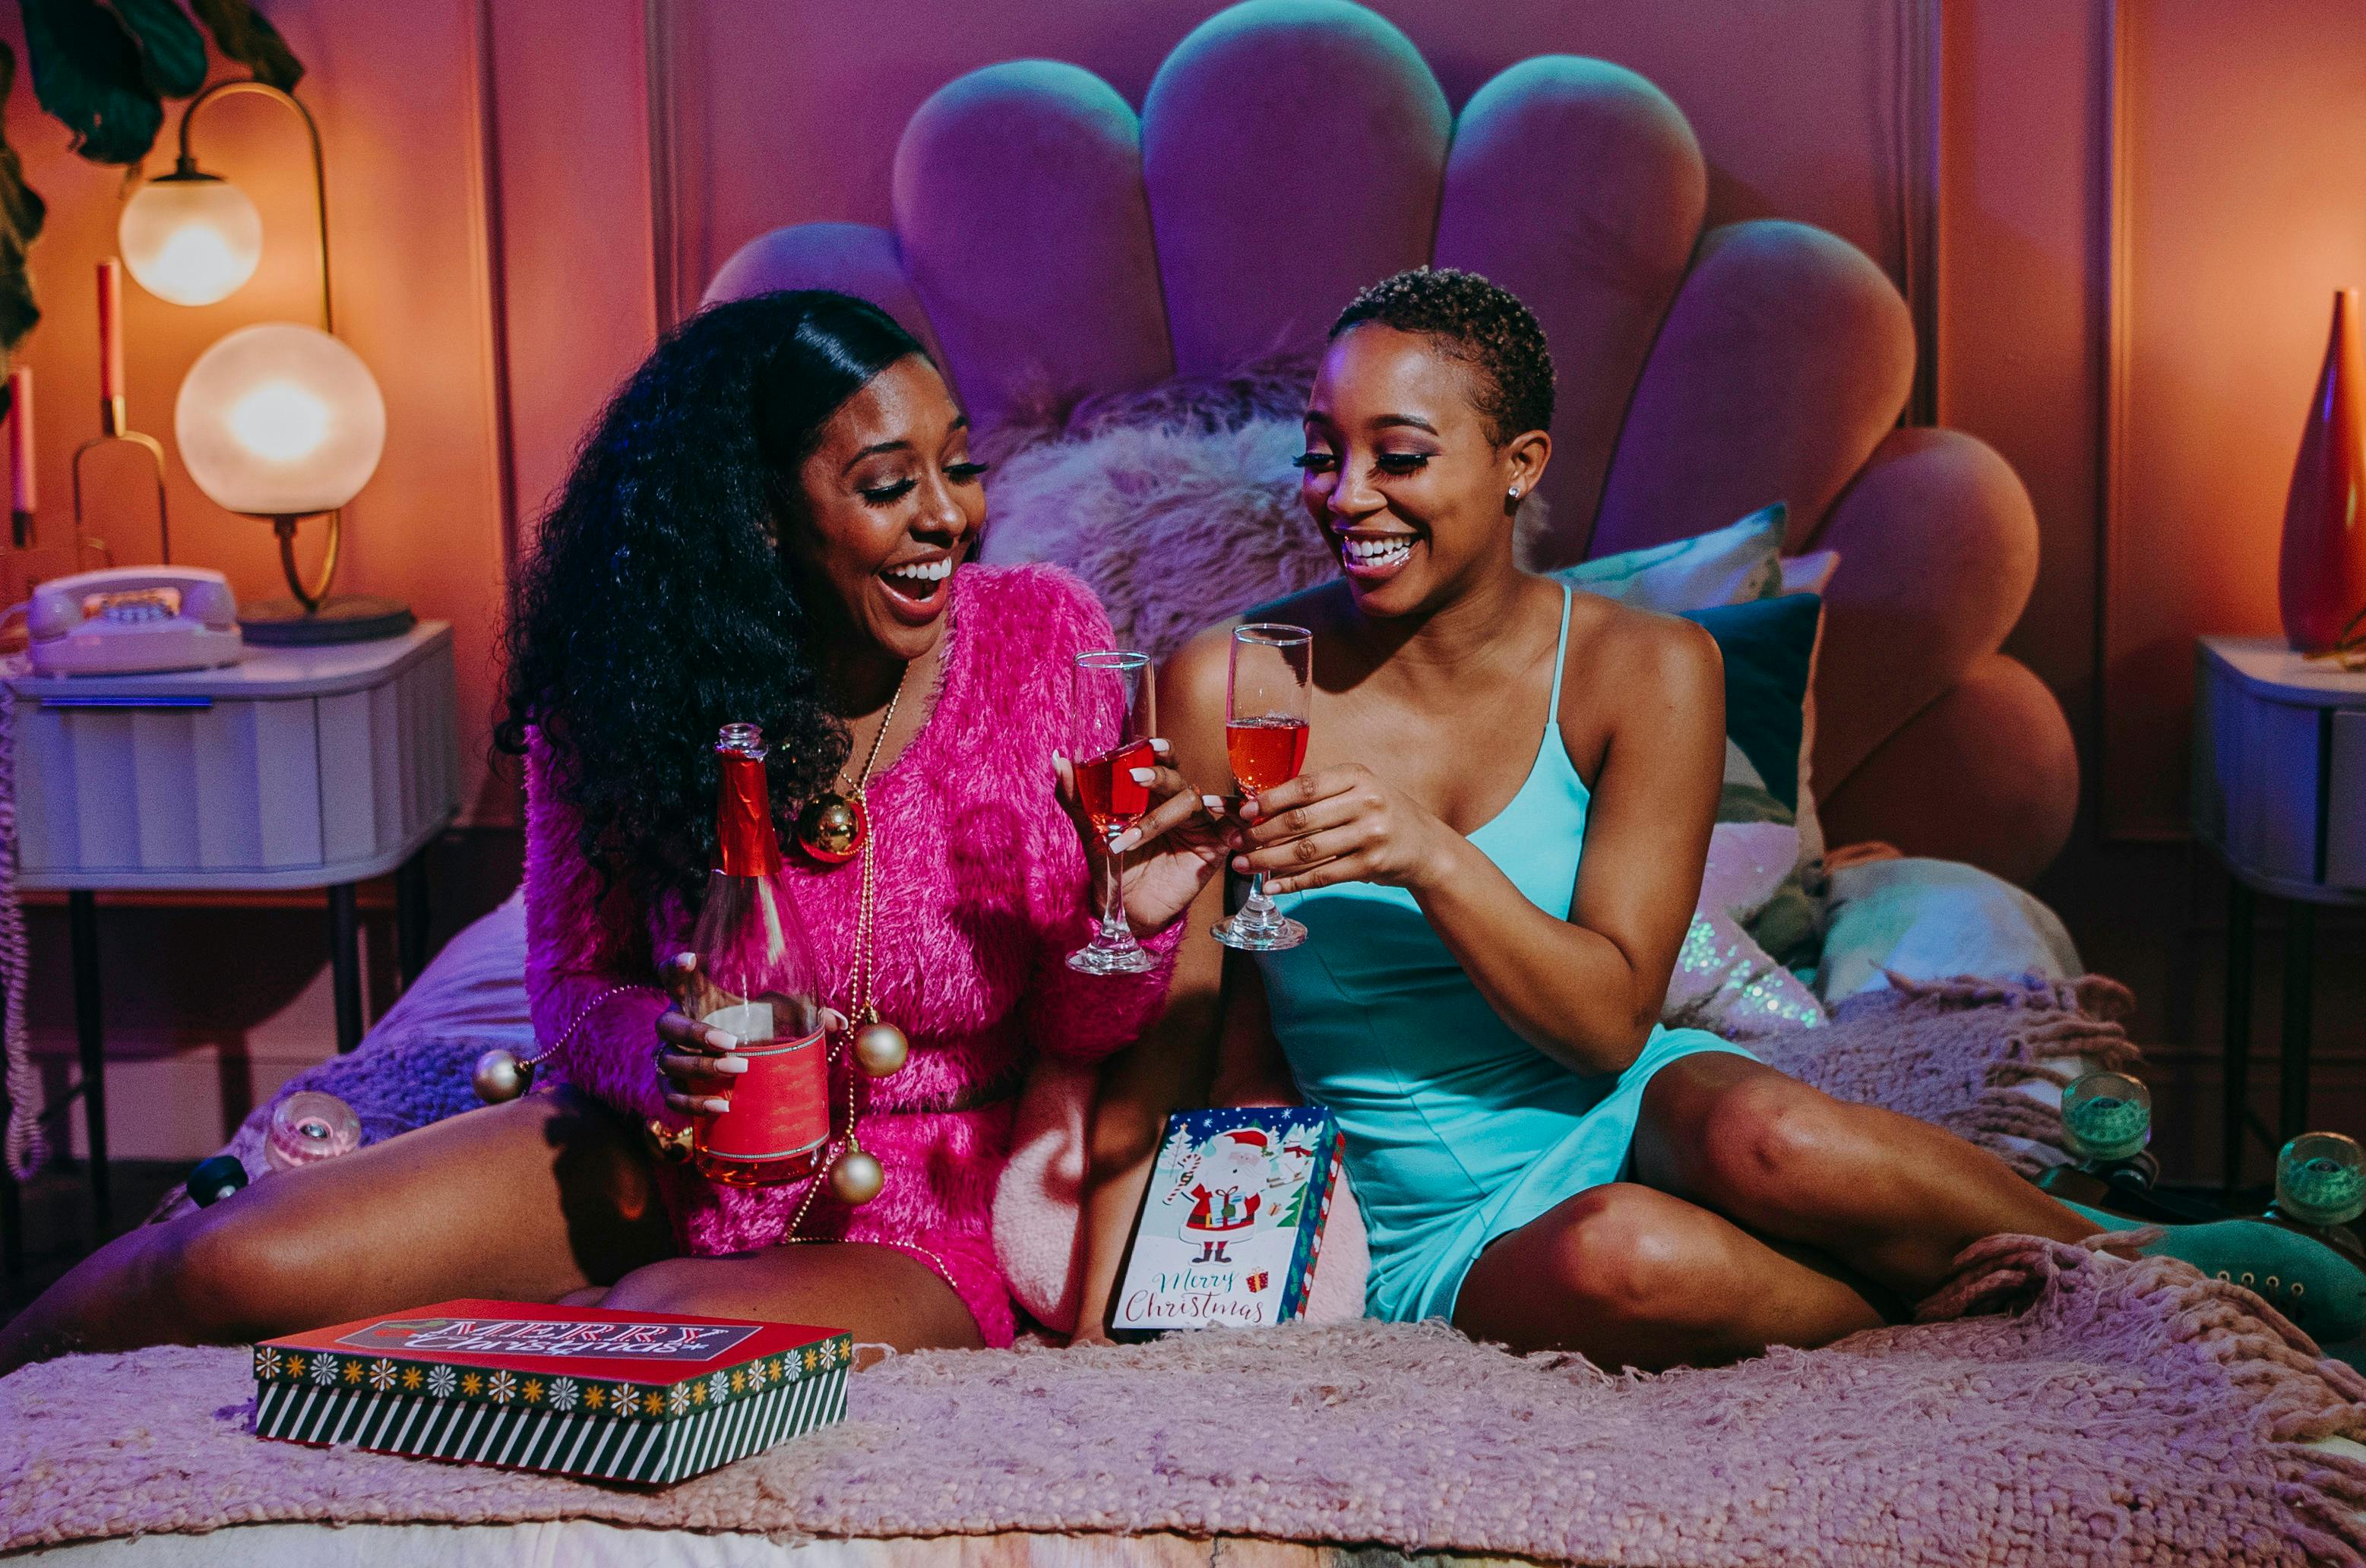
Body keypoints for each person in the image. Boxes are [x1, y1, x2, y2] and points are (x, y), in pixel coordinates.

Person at [1074, 267, 2364, 1363]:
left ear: (1520, 465)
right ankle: (1976, 1333)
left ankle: (2157, 1265)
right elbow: (1183, 1021)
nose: (1345, 493)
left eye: (1398, 456)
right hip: (1433, 1204)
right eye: (1322, 451)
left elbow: (1603, 1023)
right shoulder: (1232, 681)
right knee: (1626, 1258)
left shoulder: (1650, 667)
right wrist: (1090, 1329)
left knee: (1772, 1129)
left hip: (1629, 1091)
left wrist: (1428, 855)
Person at [0, 289, 1225, 1376]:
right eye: (888, 486)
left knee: (645, 1327)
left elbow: (1084, 1028)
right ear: (757, 516)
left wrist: (1133, 917)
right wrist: (663, 1054)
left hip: (917, 1196)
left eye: (957, 468)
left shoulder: (1041, 636)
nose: (948, 519)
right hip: (665, 1149)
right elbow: (572, 988)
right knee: (232, 1267)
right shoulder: (631, 686)